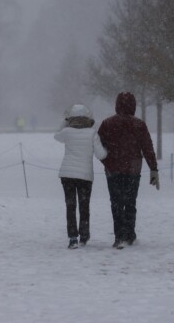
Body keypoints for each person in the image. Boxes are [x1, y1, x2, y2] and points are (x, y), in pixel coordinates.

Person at [97, 92, 159, 249]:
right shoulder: (139, 124)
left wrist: (107, 161)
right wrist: (153, 169)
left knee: (116, 203)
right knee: (130, 203)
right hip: (133, 169)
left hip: (113, 170)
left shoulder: (107, 124)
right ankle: (129, 234)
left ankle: (119, 236)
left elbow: (98, 146)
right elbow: (147, 147)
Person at [54, 104, 106, 249]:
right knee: (84, 206)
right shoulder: (92, 134)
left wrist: (65, 121)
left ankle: (72, 238)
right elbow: (101, 154)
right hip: (85, 175)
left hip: (67, 174)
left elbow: (56, 135)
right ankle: (84, 235)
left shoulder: (66, 132)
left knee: (70, 206)